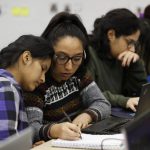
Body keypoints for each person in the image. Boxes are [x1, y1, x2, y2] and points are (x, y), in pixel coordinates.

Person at [24, 12, 111, 142]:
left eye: (77, 58)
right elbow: (32, 129)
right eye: (62, 57)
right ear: (49, 52)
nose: (69, 67)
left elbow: (102, 103)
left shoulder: (79, 75)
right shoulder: (37, 82)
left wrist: (87, 116)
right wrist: (54, 130)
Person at [88, 8, 147, 113]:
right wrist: (124, 101)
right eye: (129, 42)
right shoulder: (88, 53)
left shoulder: (121, 56)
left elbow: (141, 93)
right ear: (111, 34)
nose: (132, 49)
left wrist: (136, 63)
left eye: (134, 44)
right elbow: (90, 94)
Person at [0, 35, 54, 140]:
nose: (43, 79)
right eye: (42, 68)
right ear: (26, 58)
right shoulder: (7, 88)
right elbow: (5, 145)